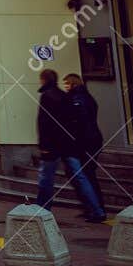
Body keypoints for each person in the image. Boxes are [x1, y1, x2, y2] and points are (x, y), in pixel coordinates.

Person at [35, 69, 105, 222]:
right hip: (68, 144)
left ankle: (41, 208)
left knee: (46, 178)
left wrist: (44, 144)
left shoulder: (47, 96)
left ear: (44, 80)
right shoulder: (64, 96)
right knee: (80, 176)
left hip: (53, 145)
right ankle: (97, 210)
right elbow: (73, 121)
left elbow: (44, 122)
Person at [62, 72, 107, 216]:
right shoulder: (86, 97)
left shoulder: (78, 100)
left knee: (86, 174)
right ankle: (93, 206)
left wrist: (77, 142)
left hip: (87, 142)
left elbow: (80, 123)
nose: (65, 87)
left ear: (74, 84)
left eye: (67, 84)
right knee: (86, 173)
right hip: (92, 140)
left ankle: (96, 208)